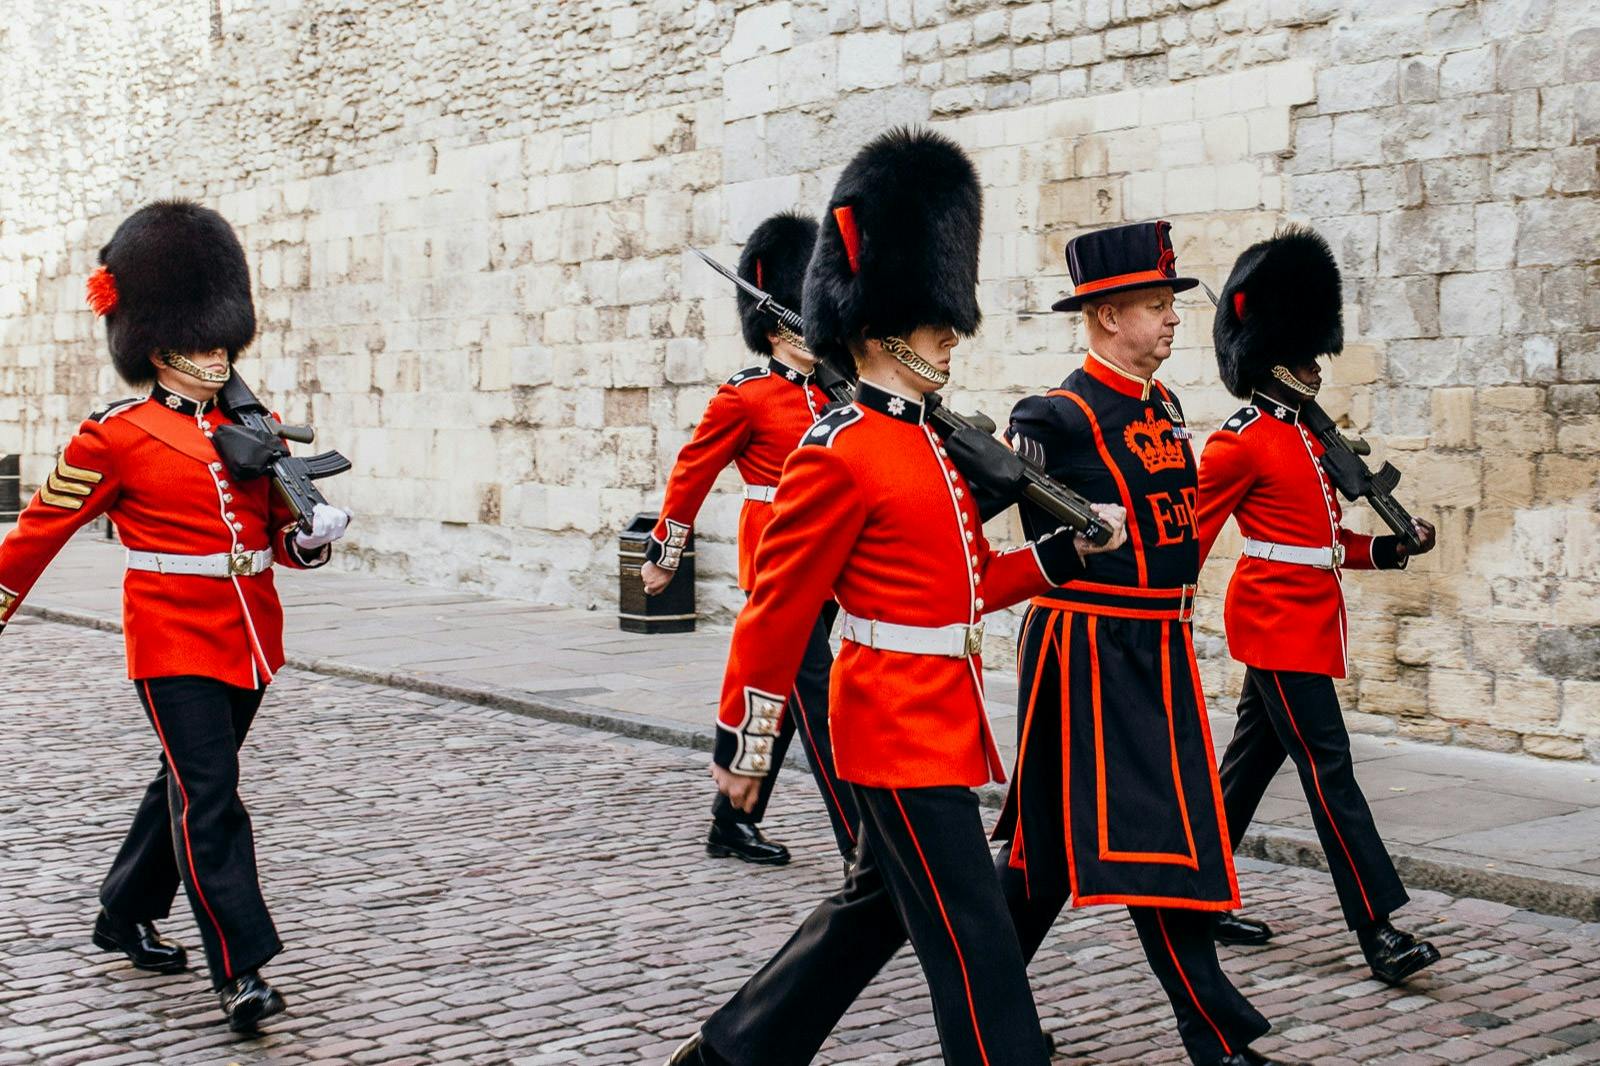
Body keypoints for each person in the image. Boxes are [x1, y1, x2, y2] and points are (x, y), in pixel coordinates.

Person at [666, 127, 1124, 1066]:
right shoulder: (837, 451)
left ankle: (730, 1055)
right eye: (934, 322)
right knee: (977, 940)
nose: (950, 334)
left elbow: (968, 588)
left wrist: (1060, 554)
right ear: (884, 328)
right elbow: (776, 610)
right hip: (889, 728)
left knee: (873, 913)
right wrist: (746, 747)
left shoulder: (931, 447)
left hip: (938, 719)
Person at [0, 200, 351, 1030]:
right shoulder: (114, 437)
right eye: (203, 343)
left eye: (225, 340)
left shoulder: (253, 428)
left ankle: (121, 912)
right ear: (158, 348)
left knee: (187, 787)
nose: (219, 353)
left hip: (251, 633)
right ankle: (242, 970)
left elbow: (276, 537)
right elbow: (39, 530)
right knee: (213, 796)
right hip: (170, 635)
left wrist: (313, 533)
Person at [995, 221, 1284, 1066]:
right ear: (1106, 315)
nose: (1172, 320)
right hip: (1087, 654)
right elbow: (1023, 531)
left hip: (1153, 651)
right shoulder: (1052, 415)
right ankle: (1218, 1038)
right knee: (1158, 844)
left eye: (1169, 305)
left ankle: (985, 1013)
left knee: (1043, 859)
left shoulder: (1164, 405)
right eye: (1155, 307)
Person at [1195, 226, 1441, 985]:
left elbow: (1323, 543)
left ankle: (1193, 901)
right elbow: (1189, 539)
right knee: (1331, 773)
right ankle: (1379, 930)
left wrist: (1389, 548)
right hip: (1276, 629)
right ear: (1271, 355)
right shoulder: (1241, 441)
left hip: (1305, 620)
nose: (1316, 366)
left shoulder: (1304, 434)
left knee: (1241, 773)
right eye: (1304, 354)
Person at [641, 211, 859, 868]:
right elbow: (692, 472)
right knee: (820, 699)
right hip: (774, 561)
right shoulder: (745, 397)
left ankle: (731, 823)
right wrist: (664, 552)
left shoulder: (830, 394)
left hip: (827, 562)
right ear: (776, 327)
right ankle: (863, 848)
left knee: (786, 701)